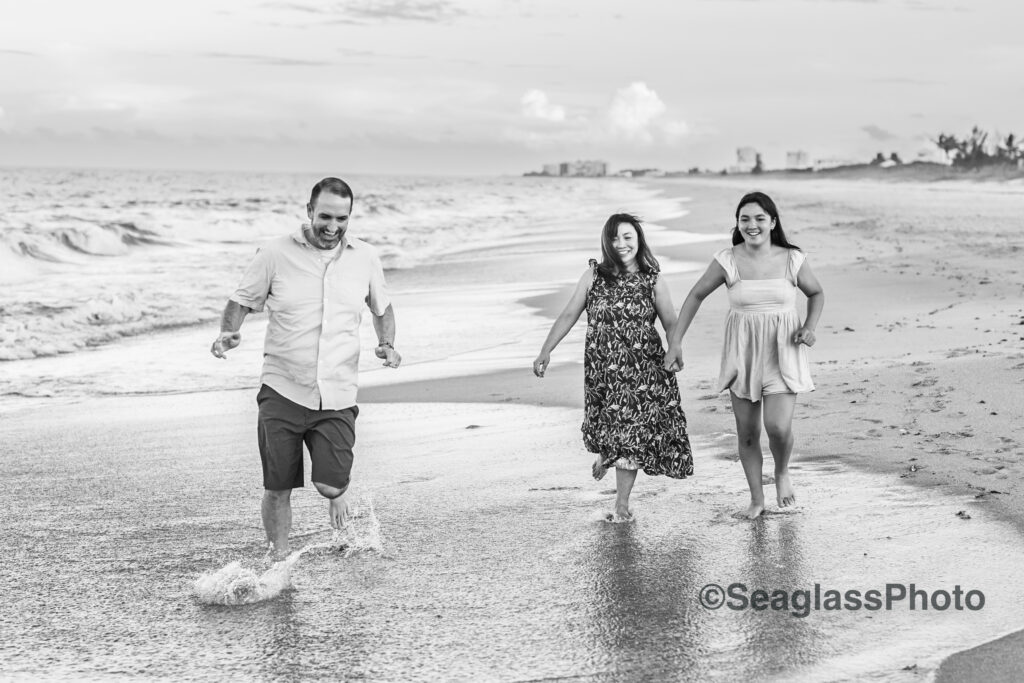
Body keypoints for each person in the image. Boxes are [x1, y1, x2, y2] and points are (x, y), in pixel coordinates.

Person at [210, 177, 401, 559]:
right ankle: (277, 559)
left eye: (342, 218)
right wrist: (228, 333)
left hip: (338, 390)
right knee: (278, 486)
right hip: (283, 387)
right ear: (309, 211)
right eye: (325, 216)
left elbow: (382, 308)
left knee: (330, 487)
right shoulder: (275, 254)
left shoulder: (365, 257)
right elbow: (241, 300)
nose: (333, 227)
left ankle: (335, 491)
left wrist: (387, 344)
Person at [664, 191, 823, 519]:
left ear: (772, 222)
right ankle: (756, 499)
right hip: (743, 353)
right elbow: (695, 295)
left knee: (777, 427)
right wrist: (675, 341)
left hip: (784, 352)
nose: (752, 225)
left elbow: (816, 293)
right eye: (745, 219)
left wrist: (809, 326)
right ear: (738, 224)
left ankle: (781, 473)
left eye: (759, 218)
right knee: (748, 432)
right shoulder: (727, 259)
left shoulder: (792, 259)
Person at [533, 213, 693, 521]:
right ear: (607, 242)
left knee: (631, 435)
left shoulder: (654, 279)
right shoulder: (594, 275)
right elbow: (569, 315)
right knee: (611, 427)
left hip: (642, 371)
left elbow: (670, 321)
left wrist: (675, 348)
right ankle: (607, 454)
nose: (621, 244)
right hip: (603, 371)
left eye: (628, 237)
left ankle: (621, 504)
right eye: (615, 238)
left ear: (639, 240)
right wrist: (546, 350)